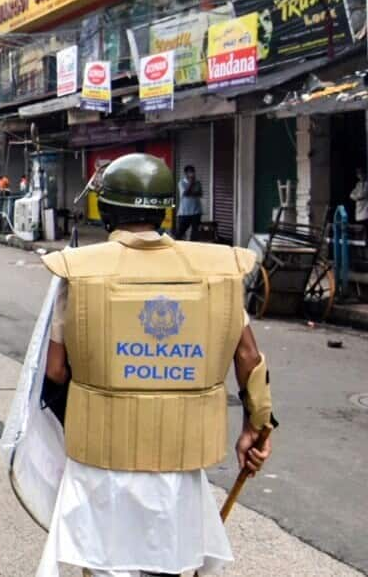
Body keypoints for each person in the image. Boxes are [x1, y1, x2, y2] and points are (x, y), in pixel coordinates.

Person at [37, 153, 274, 576]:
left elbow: (56, 370)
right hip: (178, 460)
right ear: (167, 208)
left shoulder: (79, 273)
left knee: (105, 563)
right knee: (167, 560)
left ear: (106, 211)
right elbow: (248, 357)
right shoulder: (217, 271)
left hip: (100, 458)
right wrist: (257, 427)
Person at [176, 164, 203, 240]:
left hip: (196, 212)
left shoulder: (197, 182)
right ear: (186, 173)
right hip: (184, 212)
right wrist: (191, 183)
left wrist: (192, 192)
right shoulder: (181, 183)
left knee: (195, 233)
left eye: (193, 172)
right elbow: (185, 193)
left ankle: (193, 248)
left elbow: (200, 193)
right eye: (190, 172)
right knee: (180, 232)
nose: (192, 174)